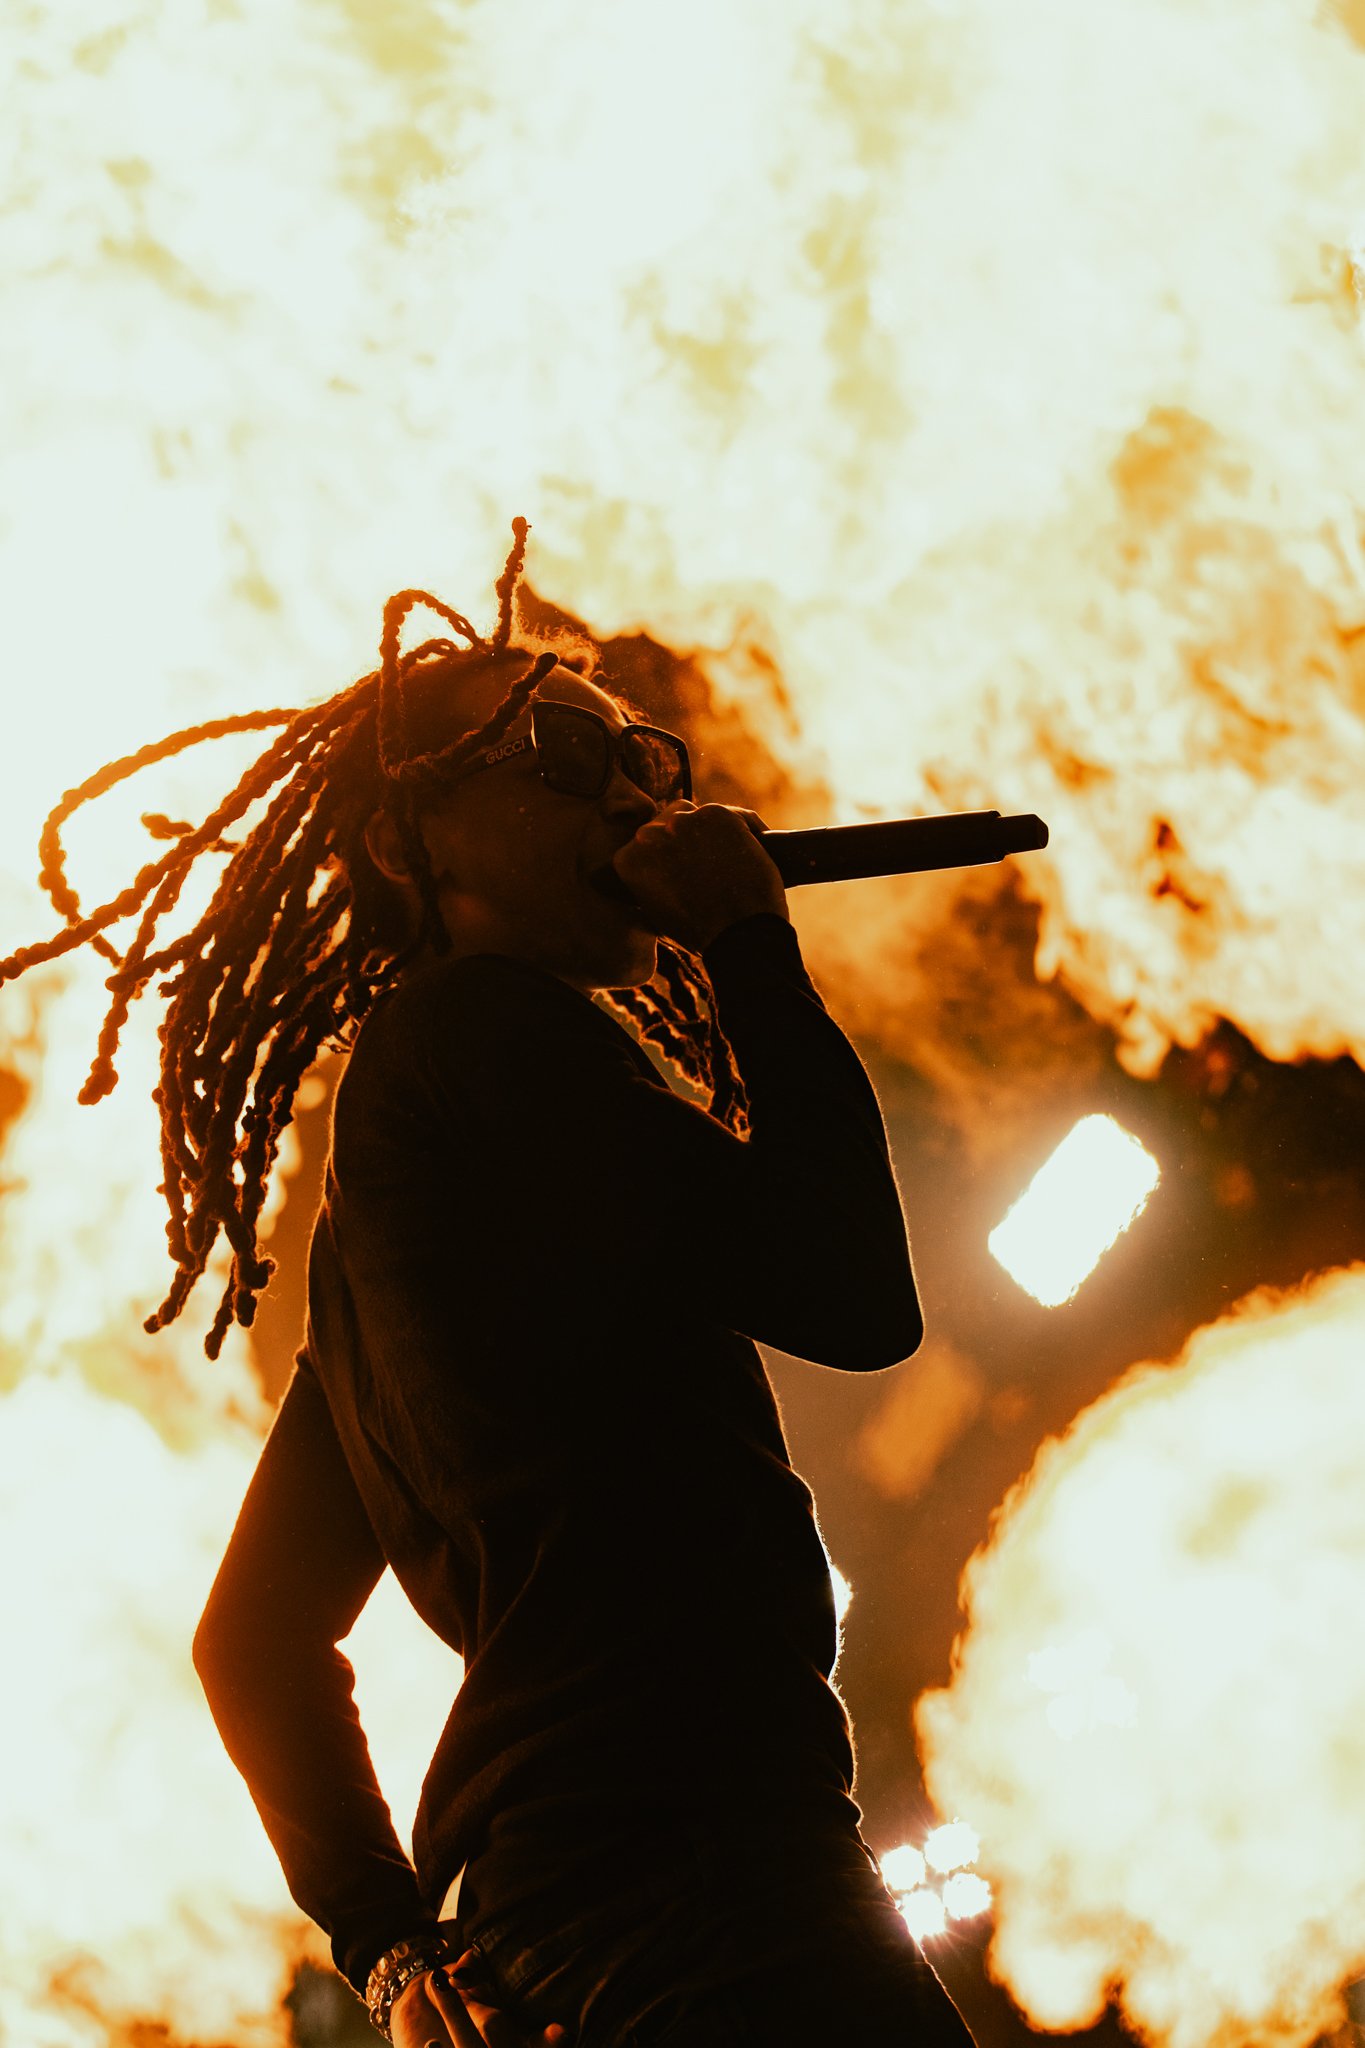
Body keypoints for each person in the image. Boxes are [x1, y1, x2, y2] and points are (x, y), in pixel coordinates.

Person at [2, 524, 977, 2048]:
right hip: (714, 1905)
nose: (633, 798)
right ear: (412, 843)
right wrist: (747, 940)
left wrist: (393, 1952)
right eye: (559, 759)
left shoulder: (390, 1219)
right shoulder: (483, 1037)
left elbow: (248, 1641)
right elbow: (855, 1298)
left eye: (635, 763)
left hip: (569, 1935)